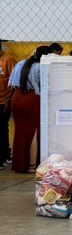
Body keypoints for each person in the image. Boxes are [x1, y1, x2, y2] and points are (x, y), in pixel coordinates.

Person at [10, 45, 49, 173]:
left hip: (16, 98)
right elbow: (45, 86)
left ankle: (19, 164)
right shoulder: (41, 67)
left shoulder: (20, 63)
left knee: (20, 132)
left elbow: (11, 83)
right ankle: (32, 166)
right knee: (33, 132)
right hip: (31, 99)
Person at [0, 41, 16, 169]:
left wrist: (9, 101)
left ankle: (4, 156)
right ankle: (6, 155)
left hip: (3, 101)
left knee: (2, 128)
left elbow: (14, 82)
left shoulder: (8, 60)